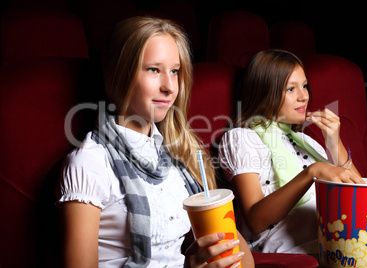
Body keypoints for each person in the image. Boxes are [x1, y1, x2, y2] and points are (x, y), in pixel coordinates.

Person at [56, 16, 253, 268]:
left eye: (175, 71)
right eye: (153, 70)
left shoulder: (177, 154)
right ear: (120, 74)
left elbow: (235, 248)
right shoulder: (89, 163)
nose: (170, 87)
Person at [218, 50, 364, 255]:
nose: (304, 96)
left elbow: (363, 200)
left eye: (304, 86)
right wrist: (312, 172)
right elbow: (255, 221)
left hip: (337, 247)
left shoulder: (306, 141)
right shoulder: (242, 138)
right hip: (290, 255)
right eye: (290, 89)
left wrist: (334, 143)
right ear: (265, 92)